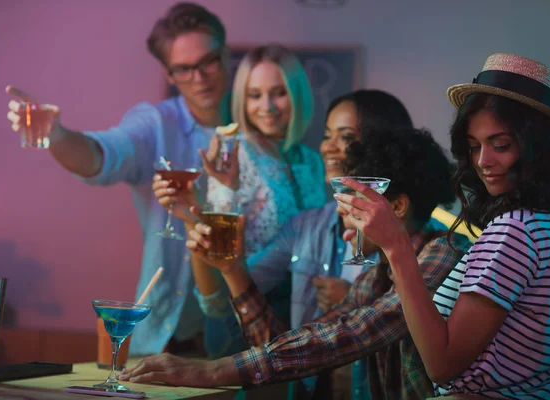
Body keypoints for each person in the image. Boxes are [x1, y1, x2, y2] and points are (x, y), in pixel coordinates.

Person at [119, 125, 474, 400]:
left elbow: (351, 335)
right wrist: (233, 270)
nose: (340, 211)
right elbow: (303, 348)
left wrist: (210, 372)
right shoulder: (374, 276)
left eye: (351, 200)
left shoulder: (442, 252)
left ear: (395, 207)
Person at [335, 53, 550, 399]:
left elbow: (443, 365)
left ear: (542, 147)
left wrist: (396, 246)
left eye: (501, 145)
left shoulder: (515, 231)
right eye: (474, 146)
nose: (482, 162)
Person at [5, 3, 232, 357]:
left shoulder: (258, 127)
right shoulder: (155, 124)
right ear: (169, 75)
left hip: (240, 334)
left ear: (225, 54)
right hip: (165, 335)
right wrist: (58, 135)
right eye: (184, 69)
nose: (199, 77)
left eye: (208, 62)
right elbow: (102, 156)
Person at [188, 89, 417, 399]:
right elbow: (224, 303)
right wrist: (196, 217)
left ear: (383, 147)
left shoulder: (417, 236)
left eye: (345, 137)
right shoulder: (305, 226)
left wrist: (359, 300)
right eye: (326, 135)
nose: (329, 147)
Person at [152, 44, 326, 358]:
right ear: (242, 101)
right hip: (241, 314)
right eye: (254, 95)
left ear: (298, 94)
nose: (267, 106)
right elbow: (216, 250)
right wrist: (219, 193)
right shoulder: (236, 152)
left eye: (278, 92)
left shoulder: (312, 160)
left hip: (302, 313)